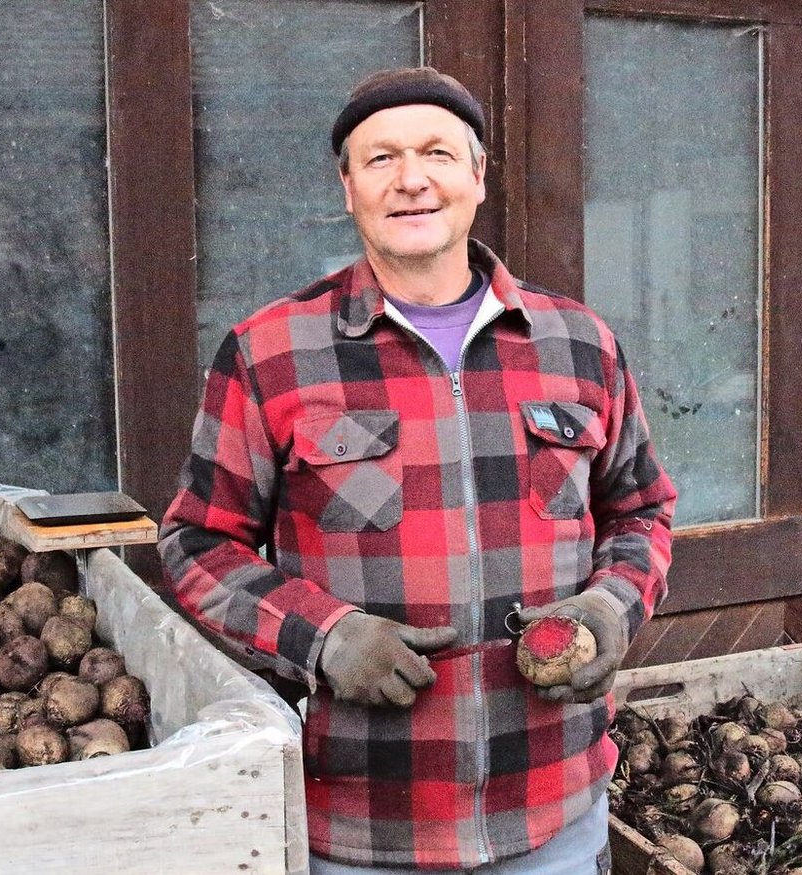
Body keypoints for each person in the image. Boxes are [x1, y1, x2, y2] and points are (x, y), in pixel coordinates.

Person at [160, 66, 676, 874]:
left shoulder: (579, 343)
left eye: (437, 152)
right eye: (381, 158)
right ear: (348, 188)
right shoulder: (271, 352)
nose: (411, 179)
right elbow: (197, 542)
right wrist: (324, 636)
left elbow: (641, 511)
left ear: (477, 176)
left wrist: (611, 607)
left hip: (554, 813)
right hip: (363, 828)